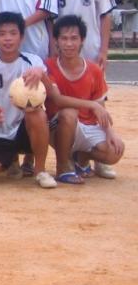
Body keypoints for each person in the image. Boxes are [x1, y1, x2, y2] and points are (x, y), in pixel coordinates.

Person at [0, 12, 58, 188]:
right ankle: (10, 161)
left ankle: (40, 171)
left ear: (21, 37)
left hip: (24, 129)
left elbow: (51, 94)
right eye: (2, 34)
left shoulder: (33, 61)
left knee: (37, 114)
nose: (8, 38)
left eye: (13, 33)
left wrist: (41, 74)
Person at [46, 15, 124, 182]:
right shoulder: (49, 66)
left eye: (74, 38)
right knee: (69, 113)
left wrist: (110, 132)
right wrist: (91, 105)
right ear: (56, 41)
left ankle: (81, 156)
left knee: (115, 150)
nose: (69, 44)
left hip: (88, 126)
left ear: (82, 40)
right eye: (64, 38)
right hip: (60, 127)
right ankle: (63, 167)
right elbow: (57, 100)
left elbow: (101, 108)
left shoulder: (94, 70)